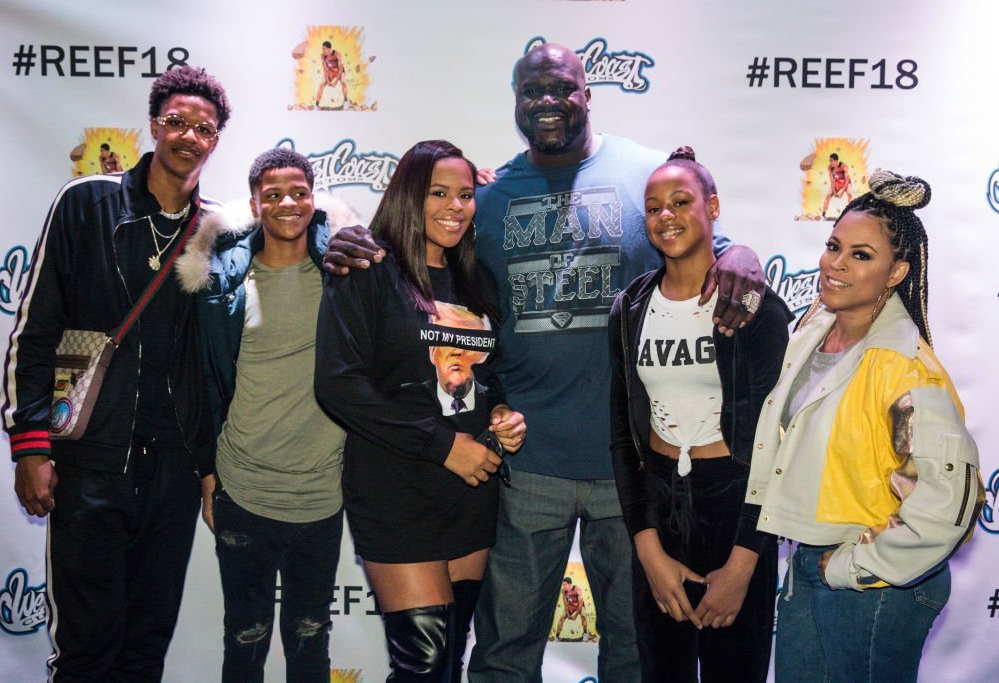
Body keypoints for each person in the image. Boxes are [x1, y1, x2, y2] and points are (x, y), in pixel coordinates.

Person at [322, 43, 766, 682]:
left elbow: (708, 241)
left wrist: (743, 252)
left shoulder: (644, 172)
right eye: (531, 92)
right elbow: (419, 249)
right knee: (504, 655)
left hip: (631, 467)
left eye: (561, 88)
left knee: (635, 653)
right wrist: (335, 236)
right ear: (515, 103)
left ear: (588, 92)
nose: (546, 103)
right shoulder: (490, 196)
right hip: (524, 466)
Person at [0, 65, 230, 680]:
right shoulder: (86, 203)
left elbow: (216, 363)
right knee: (85, 651)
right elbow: (36, 330)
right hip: (89, 461)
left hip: (173, 473)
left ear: (216, 140)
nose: (188, 136)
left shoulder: (218, 234)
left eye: (203, 128)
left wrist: (207, 467)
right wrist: (31, 446)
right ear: (154, 125)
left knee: (144, 649)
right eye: (176, 122)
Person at [747, 171, 984, 682]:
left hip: (874, 586)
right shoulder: (812, 332)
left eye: (861, 255)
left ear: (897, 272)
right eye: (834, 245)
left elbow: (950, 503)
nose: (836, 264)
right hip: (808, 565)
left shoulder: (907, 368)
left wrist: (853, 564)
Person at [314, 139, 526, 682]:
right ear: (410, 194)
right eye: (438, 193)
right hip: (397, 490)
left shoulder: (476, 279)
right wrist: (442, 445)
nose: (456, 206)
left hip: (470, 493)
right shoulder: (366, 268)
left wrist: (501, 410)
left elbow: (486, 373)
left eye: (465, 194)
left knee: (450, 662)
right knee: (423, 668)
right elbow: (337, 385)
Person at [175, 148, 357, 682]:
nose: (287, 203)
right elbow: (206, 386)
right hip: (243, 491)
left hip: (321, 496)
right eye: (273, 194)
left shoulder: (343, 275)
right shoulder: (223, 287)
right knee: (244, 642)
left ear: (313, 198)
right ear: (254, 205)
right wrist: (208, 473)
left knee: (309, 645)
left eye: (298, 191)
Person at [610, 148, 791, 681]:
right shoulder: (631, 308)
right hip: (660, 507)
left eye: (681, 201)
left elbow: (775, 443)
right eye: (653, 207)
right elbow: (624, 436)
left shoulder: (753, 307)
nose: (666, 215)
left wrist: (744, 563)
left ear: (713, 206)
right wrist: (647, 548)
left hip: (734, 507)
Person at [552, 577, 591, 642]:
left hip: (579, 606)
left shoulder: (577, 589)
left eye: (565, 584)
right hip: (570, 606)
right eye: (563, 584)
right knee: (562, 618)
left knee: (583, 615)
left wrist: (575, 615)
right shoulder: (563, 591)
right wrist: (567, 613)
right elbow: (565, 603)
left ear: (569, 584)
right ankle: (557, 636)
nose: (563, 586)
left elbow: (581, 602)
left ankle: (585, 633)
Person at [316, 40, 349, 109]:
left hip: (339, 71)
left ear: (329, 49)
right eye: (322, 49)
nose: (323, 50)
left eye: (324, 49)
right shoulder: (322, 56)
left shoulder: (336, 54)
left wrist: (336, 81)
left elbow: (340, 68)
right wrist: (327, 80)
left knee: (343, 82)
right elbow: (325, 68)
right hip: (331, 71)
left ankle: (346, 100)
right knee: (321, 84)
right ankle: (316, 104)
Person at [822, 153, 852, 219]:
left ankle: (851, 212)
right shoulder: (829, 167)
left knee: (849, 193)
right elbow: (832, 180)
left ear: (836, 161)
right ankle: (823, 214)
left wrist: (841, 192)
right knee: (828, 195)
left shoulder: (843, 166)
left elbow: (847, 180)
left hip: (845, 182)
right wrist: (834, 191)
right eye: (829, 161)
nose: (830, 163)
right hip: (837, 183)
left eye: (831, 161)